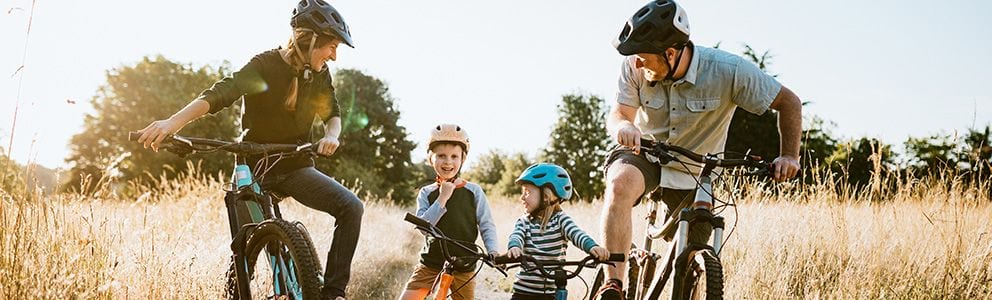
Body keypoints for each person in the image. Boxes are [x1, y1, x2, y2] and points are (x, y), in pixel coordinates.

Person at [136, 1, 362, 299]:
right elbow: (221, 93)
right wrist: (173, 123)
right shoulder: (265, 65)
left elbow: (331, 112)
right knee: (243, 250)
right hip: (253, 167)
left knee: (351, 206)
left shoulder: (319, 74)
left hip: (295, 166)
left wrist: (331, 135)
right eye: (331, 46)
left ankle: (332, 294)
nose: (334, 55)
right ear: (309, 40)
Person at [595, 0, 803, 299]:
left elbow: (789, 102)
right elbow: (619, 114)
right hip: (648, 154)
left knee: (691, 259)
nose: (637, 63)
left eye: (644, 57)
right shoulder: (634, 66)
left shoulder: (728, 70)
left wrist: (789, 155)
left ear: (670, 52)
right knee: (620, 182)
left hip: (697, 170)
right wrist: (623, 128)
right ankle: (613, 284)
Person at [399, 124, 501, 300]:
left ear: (463, 159)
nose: (448, 162)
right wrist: (442, 198)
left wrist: (493, 250)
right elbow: (424, 228)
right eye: (441, 156)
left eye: (454, 156)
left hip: (465, 263)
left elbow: (486, 223)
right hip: (431, 263)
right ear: (431, 159)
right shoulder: (426, 193)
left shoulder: (474, 191)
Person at [505, 163, 609, 300]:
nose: (522, 197)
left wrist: (592, 247)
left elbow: (576, 234)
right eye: (523, 193)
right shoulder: (524, 221)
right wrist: (514, 247)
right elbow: (517, 235)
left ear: (546, 196)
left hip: (550, 293)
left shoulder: (560, 220)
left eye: (528, 192)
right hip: (523, 293)